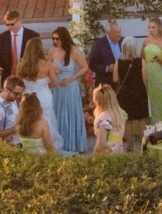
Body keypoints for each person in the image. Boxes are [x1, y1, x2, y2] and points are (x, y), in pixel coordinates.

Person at [16, 36, 65, 150]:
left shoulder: (21, 65)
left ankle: (31, 146)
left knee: (27, 119)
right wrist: (43, 86)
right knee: (47, 120)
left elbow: (19, 83)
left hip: (27, 96)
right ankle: (49, 146)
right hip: (43, 96)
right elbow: (54, 82)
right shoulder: (47, 64)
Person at [49, 26, 88, 154]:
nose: (55, 41)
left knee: (70, 114)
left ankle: (72, 143)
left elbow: (84, 67)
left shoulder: (74, 51)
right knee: (58, 114)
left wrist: (72, 78)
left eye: (58, 39)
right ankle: (58, 143)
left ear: (64, 38)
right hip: (57, 88)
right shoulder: (52, 50)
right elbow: (47, 65)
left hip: (70, 87)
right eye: (54, 39)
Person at [113, 37, 149, 150]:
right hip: (139, 92)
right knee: (141, 120)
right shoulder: (140, 61)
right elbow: (145, 78)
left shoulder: (118, 62)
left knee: (127, 121)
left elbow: (115, 79)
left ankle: (130, 146)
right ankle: (143, 146)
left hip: (124, 94)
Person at [0, 10, 40, 81]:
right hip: (8, 76)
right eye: (7, 25)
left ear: (19, 21)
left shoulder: (32, 35)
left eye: (12, 24)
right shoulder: (2, 37)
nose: (9, 27)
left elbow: (38, 55)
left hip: (27, 76)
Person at [142, 17, 162, 122]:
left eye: (153, 27)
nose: (151, 30)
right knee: (150, 101)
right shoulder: (146, 41)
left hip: (160, 76)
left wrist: (159, 60)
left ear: (159, 28)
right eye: (149, 28)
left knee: (161, 101)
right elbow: (141, 57)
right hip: (148, 75)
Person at [0, 75, 26, 145]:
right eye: (16, 93)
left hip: (17, 142)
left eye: (20, 93)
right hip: (6, 148)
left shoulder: (12, 100)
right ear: (6, 90)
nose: (19, 96)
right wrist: (15, 129)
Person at [93, 84, 127, 154]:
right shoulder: (121, 113)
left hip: (107, 153)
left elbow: (101, 144)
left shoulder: (103, 117)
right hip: (118, 150)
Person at [89, 20, 124, 89]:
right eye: (117, 32)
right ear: (109, 33)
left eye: (120, 31)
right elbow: (92, 64)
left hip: (122, 83)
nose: (120, 34)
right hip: (106, 84)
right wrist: (107, 68)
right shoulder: (99, 44)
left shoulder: (123, 41)